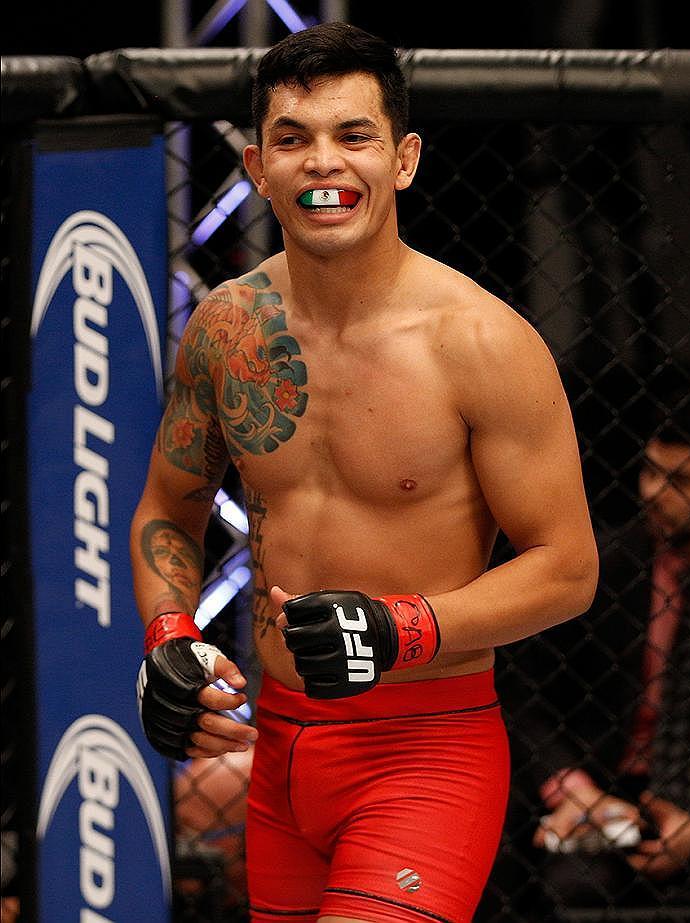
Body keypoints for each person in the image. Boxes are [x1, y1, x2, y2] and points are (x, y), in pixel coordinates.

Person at [130, 22, 598, 923]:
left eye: (354, 136)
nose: (322, 163)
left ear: (405, 158)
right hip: (278, 753)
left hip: (426, 752)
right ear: (258, 166)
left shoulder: (481, 342)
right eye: (294, 138)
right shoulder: (227, 328)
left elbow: (569, 568)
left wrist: (403, 627)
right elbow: (168, 504)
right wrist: (167, 635)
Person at [530, 396, 690, 911]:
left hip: (687, 785)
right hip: (609, 784)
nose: (651, 493)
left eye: (680, 482)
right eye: (650, 471)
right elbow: (525, 691)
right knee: (575, 885)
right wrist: (573, 787)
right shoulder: (605, 566)